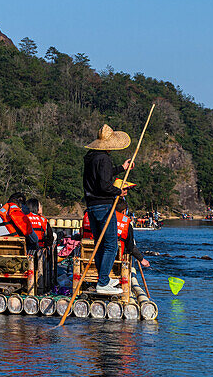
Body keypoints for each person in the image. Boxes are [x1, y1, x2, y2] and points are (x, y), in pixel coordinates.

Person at [83, 123, 135, 295]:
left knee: (100, 244)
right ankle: (103, 281)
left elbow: (101, 176)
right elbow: (105, 185)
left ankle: (102, 278)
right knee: (111, 245)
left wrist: (121, 168)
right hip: (104, 206)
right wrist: (119, 191)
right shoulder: (104, 158)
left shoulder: (91, 157)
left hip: (91, 206)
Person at [83, 198, 150, 271]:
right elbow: (130, 246)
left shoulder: (97, 217)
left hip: (87, 261)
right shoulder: (126, 223)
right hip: (114, 265)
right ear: (124, 211)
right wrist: (141, 259)